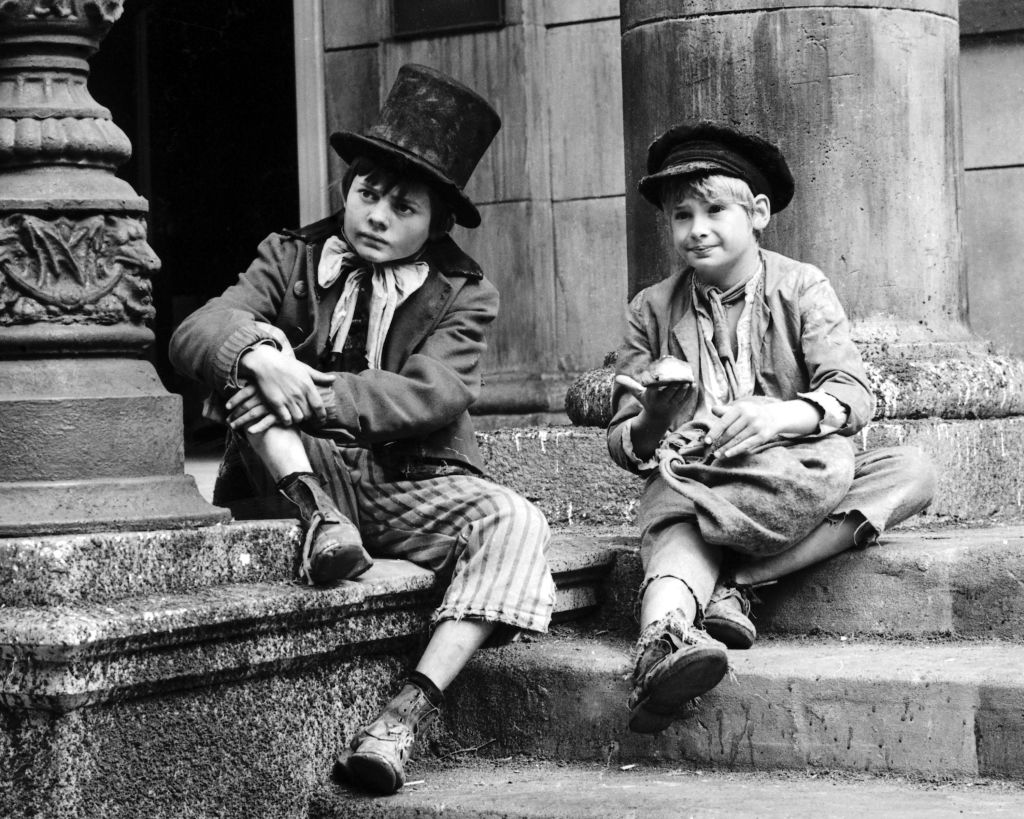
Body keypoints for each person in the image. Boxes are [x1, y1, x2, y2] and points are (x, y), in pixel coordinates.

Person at [169, 64, 556, 794]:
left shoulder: (465, 293)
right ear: (347, 188)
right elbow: (198, 329)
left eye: (402, 206)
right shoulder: (290, 255)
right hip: (298, 470)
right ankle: (320, 522)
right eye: (367, 193)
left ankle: (404, 714)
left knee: (518, 522)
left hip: (408, 479)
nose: (377, 214)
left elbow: (432, 392)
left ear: (436, 222)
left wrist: (313, 392)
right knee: (249, 366)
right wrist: (256, 352)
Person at [607, 122, 935, 734]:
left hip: (794, 472)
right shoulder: (649, 309)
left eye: (713, 210)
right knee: (675, 509)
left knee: (911, 470)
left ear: (757, 213)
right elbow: (626, 443)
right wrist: (653, 415)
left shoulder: (800, 285)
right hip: (700, 477)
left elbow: (852, 393)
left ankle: (737, 581)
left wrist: (782, 415)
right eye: (681, 216)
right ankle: (663, 645)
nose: (696, 228)